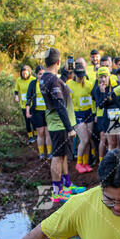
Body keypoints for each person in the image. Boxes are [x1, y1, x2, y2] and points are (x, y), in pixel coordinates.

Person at [39, 48, 84, 203]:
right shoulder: (54, 81)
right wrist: (70, 128)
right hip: (59, 125)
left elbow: (59, 87)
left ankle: (66, 185)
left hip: (55, 123)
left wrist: (64, 74)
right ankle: (57, 191)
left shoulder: (45, 78)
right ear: (58, 62)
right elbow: (59, 105)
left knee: (63, 155)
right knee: (57, 157)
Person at [67, 62, 94, 174]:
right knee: (84, 139)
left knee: (88, 140)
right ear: (74, 74)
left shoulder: (88, 84)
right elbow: (68, 103)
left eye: (82, 75)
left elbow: (93, 98)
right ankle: (78, 163)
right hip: (77, 114)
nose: (81, 77)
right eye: (78, 75)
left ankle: (85, 162)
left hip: (89, 113)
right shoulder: (70, 84)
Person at [92, 66, 120, 157]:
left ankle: (118, 165)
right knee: (111, 144)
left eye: (105, 76)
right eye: (101, 77)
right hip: (107, 117)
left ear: (109, 76)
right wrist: (103, 92)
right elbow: (100, 105)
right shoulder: (98, 89)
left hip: (117, 116)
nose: (103, 79)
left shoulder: (115, 85)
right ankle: (109, 165)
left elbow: (118, 100)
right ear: (98, 77)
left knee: (119, 144)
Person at [25, 65, 52, 159]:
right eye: (40, 74)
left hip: (48, 111)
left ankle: (49, 152)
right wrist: (27, 111)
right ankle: (41, 153)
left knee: (48, 132)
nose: (42, 76)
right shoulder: (32, 84)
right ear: (36, 75)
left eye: (43, 74)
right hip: (37, 112)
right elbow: (28, 98)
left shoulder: (48, 83)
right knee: (40, 133)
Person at [14, 65, 36, 144]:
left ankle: (36, 135)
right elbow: (16, 91)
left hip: (33, 104)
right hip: (24, 104)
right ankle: (30, 137)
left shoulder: (33, 79)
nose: (25, 75)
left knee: (34, 121)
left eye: (26, 74)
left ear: (29, 72)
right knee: (27, 121)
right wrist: (16, 97)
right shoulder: (19, 80)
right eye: (23, 74)